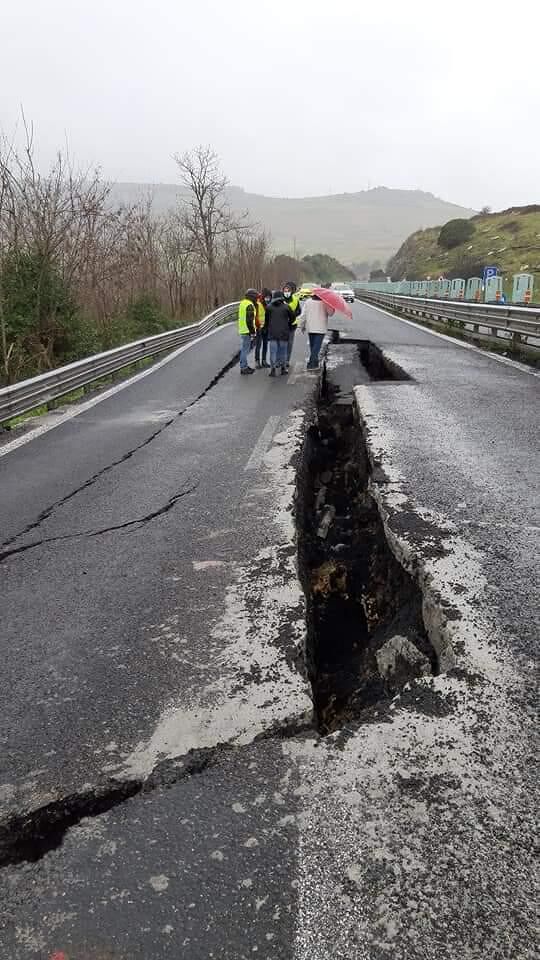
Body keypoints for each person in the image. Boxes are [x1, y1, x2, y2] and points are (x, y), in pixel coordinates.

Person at [301, 294, 334, 369]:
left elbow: (303, 315)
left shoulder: (308, 302)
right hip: (320, 329)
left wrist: (302, 325)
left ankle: (314, 362)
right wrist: (330, 304)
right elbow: (331, 313)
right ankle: (311, 364)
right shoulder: (325, 302)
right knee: (316, 347)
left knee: (313, 347)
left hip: (310, 327)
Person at [266, 290, 294, 376]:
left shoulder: (269, 307)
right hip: (284, 333)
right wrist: (287, 324)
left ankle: (273, 369)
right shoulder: (286, 307)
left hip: (272, 333)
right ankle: (283, 369)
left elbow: (266, 321)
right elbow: (293, 318)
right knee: (283, 352)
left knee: (273, 352)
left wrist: (267, 328)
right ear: (282, 297)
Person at [237, 289, 258, 375]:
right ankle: (244, 368)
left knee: (244, 349)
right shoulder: (249, 305)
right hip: (247, 331)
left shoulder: (243, 303)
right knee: (245, 350)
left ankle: (244, 366)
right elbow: (249, 320)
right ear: (252, 296)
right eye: (255, 297)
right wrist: (253, 332)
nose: (256, 298)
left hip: (243, 329)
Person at [282, 281, 301, 371]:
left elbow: (299, 311)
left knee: (289, 344)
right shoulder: (280, 299)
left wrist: (292, 315)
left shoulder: (295, 299)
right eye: (285, 290)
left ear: (291, 291)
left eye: (288, 290)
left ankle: (287, 361)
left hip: (292, 325)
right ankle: (280, 360)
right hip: (281, 325)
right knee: (282, 344)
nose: (286, 292)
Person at [255, 288, 271, 368]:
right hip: (259, 328)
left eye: (269, 297)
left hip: (266, 327)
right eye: (266, 297)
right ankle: (257, 361)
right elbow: (256, 316)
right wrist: (258, 326)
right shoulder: (258, 304)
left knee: (265, 344)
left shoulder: (268, 304)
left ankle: (264, 361)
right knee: (258, 345)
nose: (268, 299)